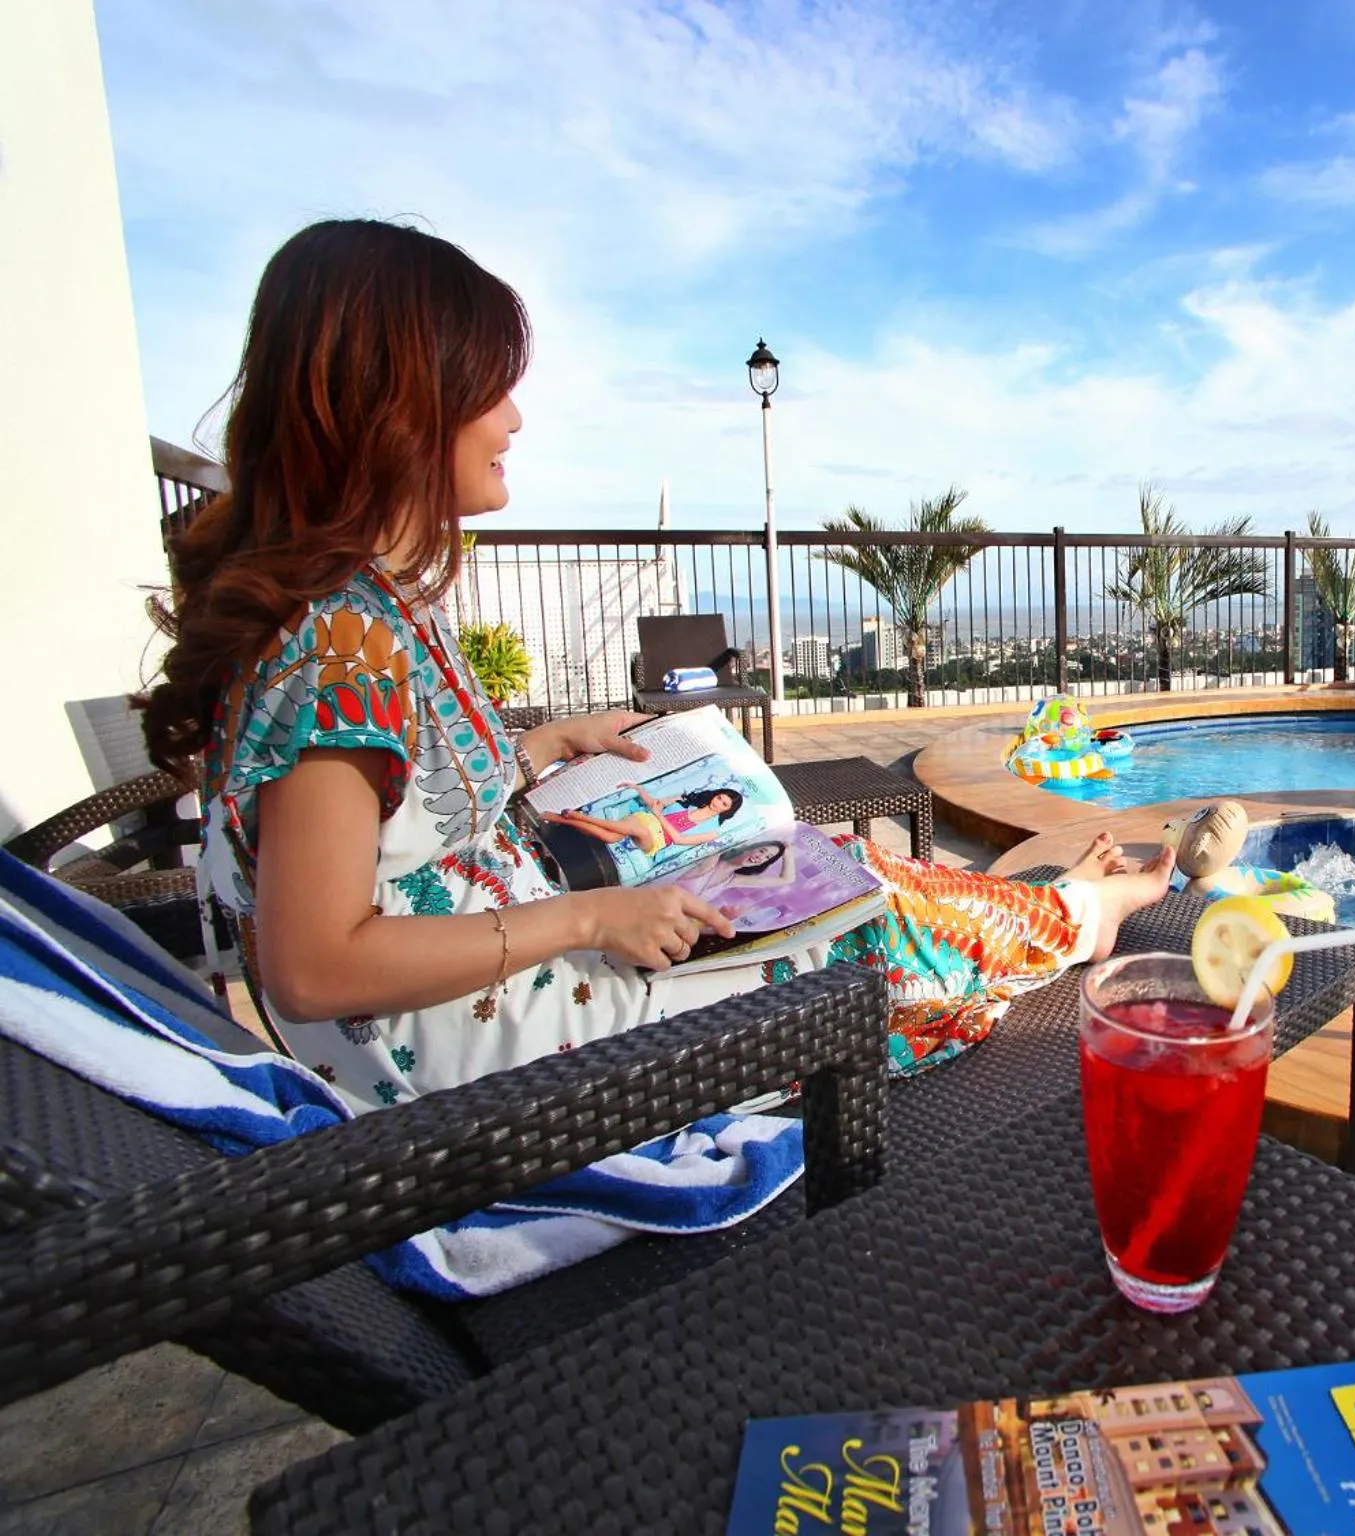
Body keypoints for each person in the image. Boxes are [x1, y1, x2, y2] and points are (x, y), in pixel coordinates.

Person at [140, 218, 1174, 1114]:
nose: (514, 419)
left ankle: (1055, 911)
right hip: (506, 1063)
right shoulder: (341, 647)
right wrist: (592, 916)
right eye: (491, 389)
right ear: (400, 408)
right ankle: (1081, 916)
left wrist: (543, 744)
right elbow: (316, 963)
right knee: (858, 914)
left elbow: (383, 822)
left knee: (822, 873)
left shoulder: (346, 614)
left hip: (493, 1001)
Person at [544, 783, 742, 857]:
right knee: (612, 838)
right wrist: (638, 789)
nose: (718, 804)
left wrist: (659, 816)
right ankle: (566, 820)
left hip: (656, 841)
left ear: (728, 811)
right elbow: (654, 803)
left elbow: (680, 840)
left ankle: (577, 816)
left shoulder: (713, 831)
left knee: (641, 832)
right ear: (715, 795)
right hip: (646, 820)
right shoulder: (687, 801)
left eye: (724, 804)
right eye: (719, 798)